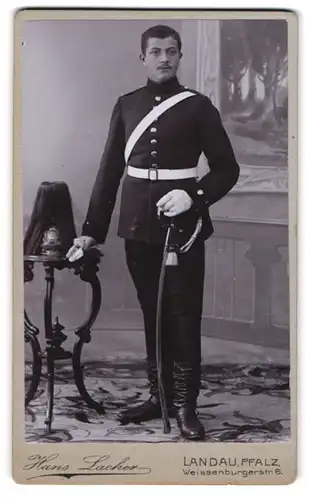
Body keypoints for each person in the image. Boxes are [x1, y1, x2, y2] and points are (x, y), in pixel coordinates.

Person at [67, 24, 240, 440]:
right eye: (156, 51)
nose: (165, 58)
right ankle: (159, 396)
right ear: (142, 57)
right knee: (153, 312)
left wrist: (193, 197)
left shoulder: (198, 107)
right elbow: (109, 173)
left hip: (184, 227)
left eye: (172, 51)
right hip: (136, 227)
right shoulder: (127, 105)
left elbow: (227, 169)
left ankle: (186, 406)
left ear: (180, 57)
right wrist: (91, 231)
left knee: (182, 314)